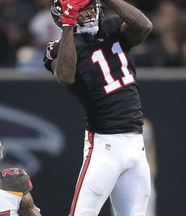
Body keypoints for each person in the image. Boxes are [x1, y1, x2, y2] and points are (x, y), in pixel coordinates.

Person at [43, 0, 153, 215]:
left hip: (136, 144)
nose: (89, 12)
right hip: (104, 146)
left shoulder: (111, 28)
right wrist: (68, 26)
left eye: (90, 5)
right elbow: (65, 76)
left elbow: (144, 26)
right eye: (80, 10)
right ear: (63, 14)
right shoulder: (58, 48)